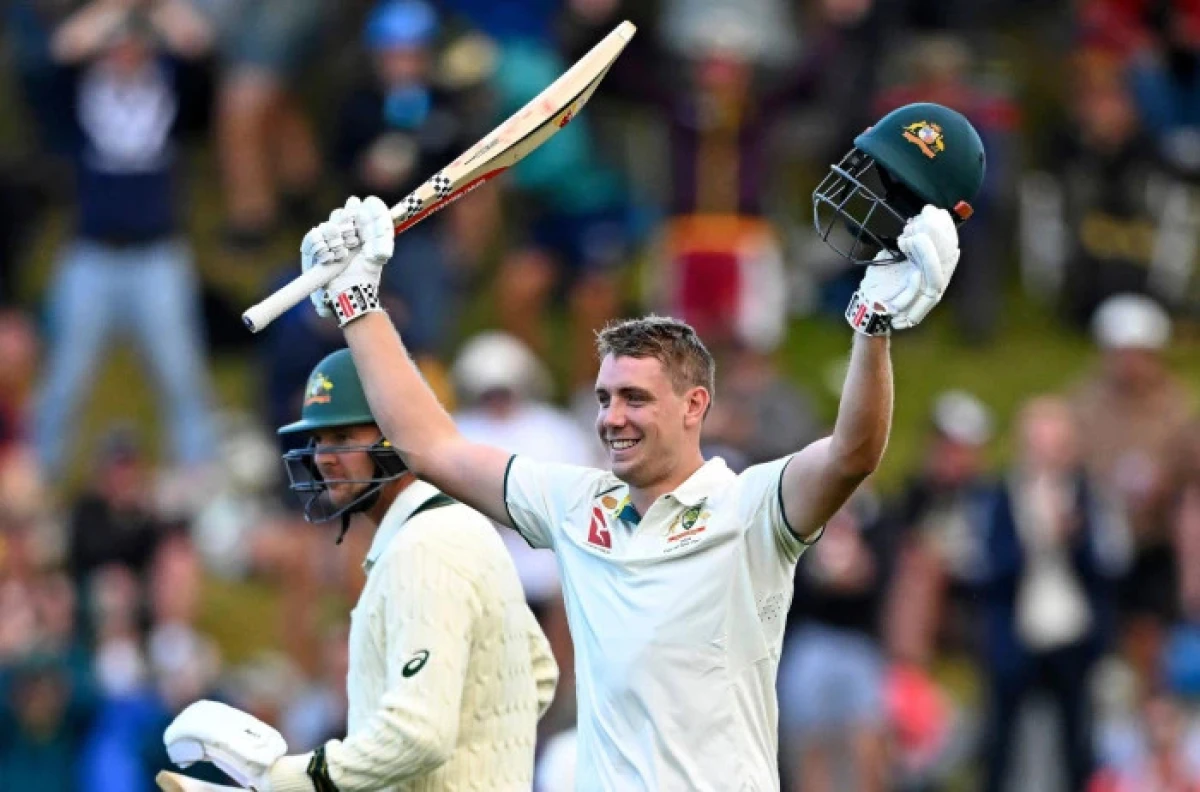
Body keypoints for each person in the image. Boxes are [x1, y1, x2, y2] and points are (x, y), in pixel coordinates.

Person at [299, 101, 982, 789]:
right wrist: (360, 304)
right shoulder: (575, 505)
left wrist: (873, 326)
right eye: (603, 399)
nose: (611, 418)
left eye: (634, 399)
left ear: (695, 406)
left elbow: (852, 454)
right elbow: (432, 447)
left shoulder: (749, 509)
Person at [161, 348, 559, 791]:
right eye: (318, 440)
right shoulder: (451, 526)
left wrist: (286, 779)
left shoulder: (425, 547)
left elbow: (419, 735)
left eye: (342, 437)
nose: (323, 457)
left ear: (398, 434)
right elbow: (534, 671)